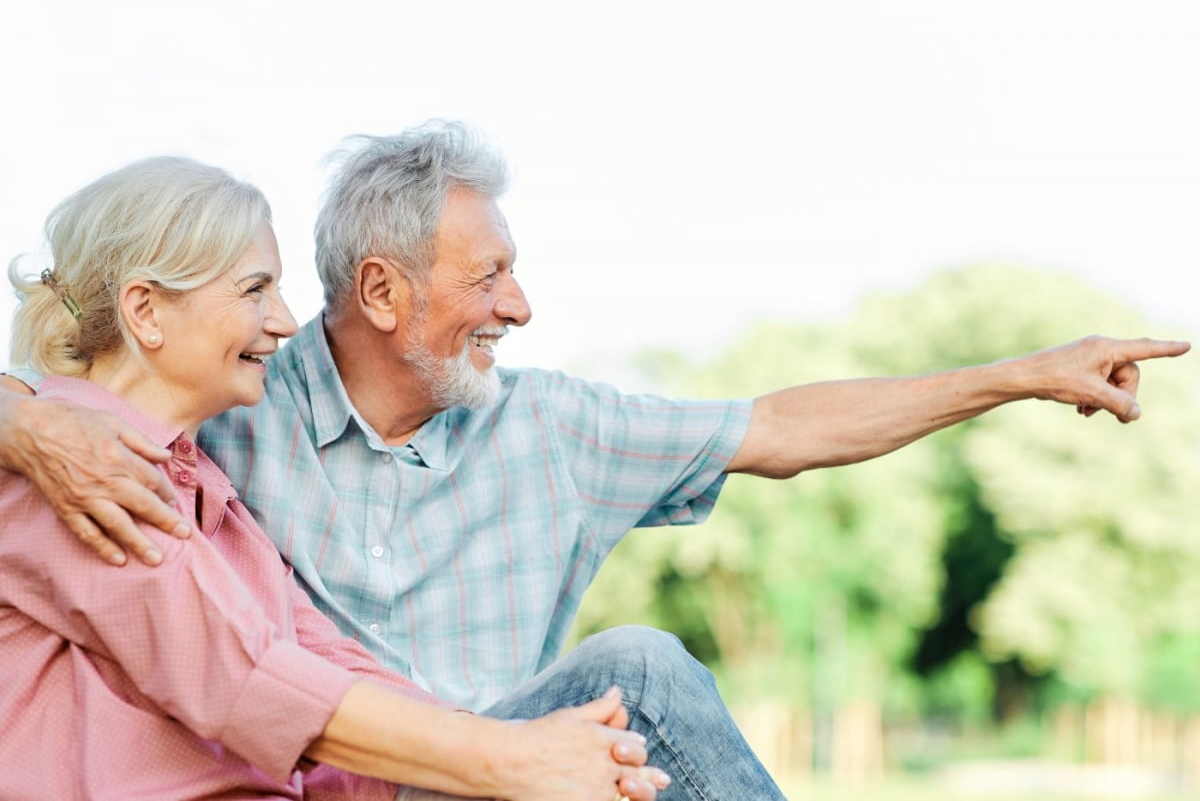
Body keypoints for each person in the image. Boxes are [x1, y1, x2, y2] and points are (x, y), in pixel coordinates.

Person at [0, 123, 1189, 778]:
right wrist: (28, 421)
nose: (521, 306)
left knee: (634, 684)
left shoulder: (549, 426)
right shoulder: (209, 420)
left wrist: (1017, 373)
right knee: (646, 668)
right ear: (380, 289)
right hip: (391, 770)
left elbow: (782, 425)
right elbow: (252, 673)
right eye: (491, 275)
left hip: (464, 765)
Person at [0, 154, 770, 800]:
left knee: (620, 695)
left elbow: (319, 655)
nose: (284, 321)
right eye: (254, 289)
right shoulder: (74, 467)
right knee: (637, 684)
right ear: (146, 311)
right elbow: (243, 679)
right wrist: (514, 760)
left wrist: (521, 744)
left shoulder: (199, 480)